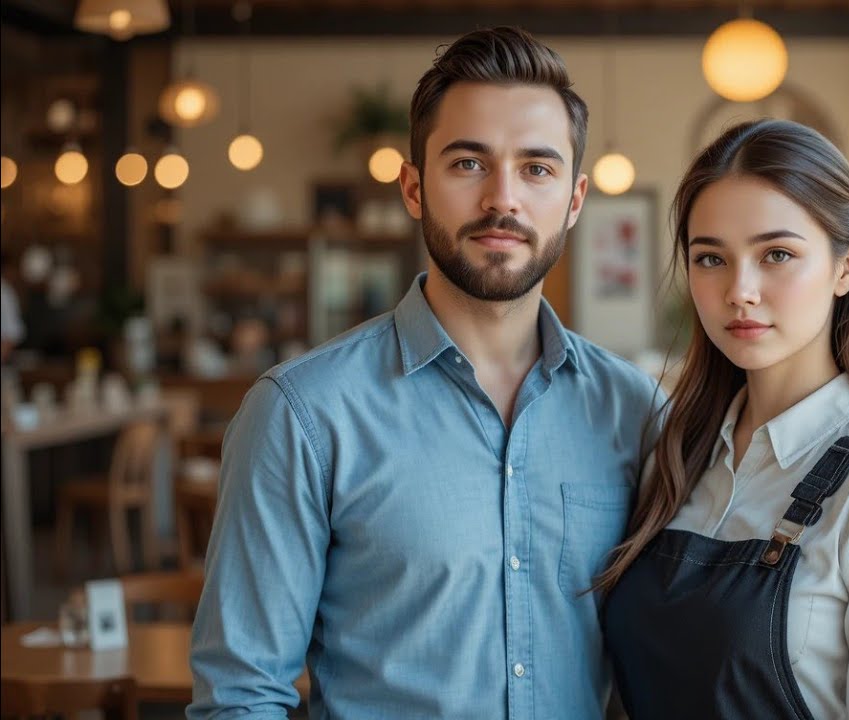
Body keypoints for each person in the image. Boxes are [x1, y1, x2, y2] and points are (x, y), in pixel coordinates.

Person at [189, 27, 661, 719]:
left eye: (537, 168)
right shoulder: (301, 414)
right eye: (469, 164)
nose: (503, 200)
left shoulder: (636, 410)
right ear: (413, 187)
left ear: (575, 197)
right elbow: (240, 694)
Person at [599, 119, 849, 719]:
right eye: (710, 258)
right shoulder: (674, 453)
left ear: (847, 267)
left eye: (776, 254)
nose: (739, 290)